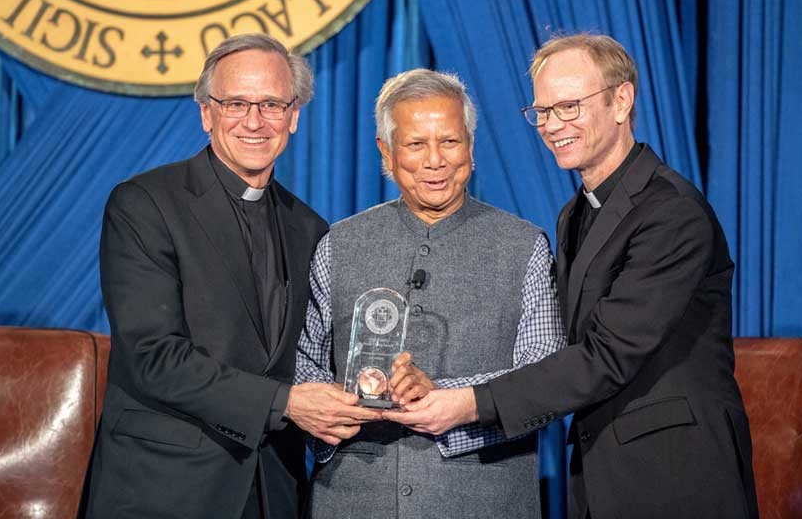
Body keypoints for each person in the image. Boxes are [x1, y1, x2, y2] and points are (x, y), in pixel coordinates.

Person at [384, 35, 759, 519]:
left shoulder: (672, 214)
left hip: (675, 474)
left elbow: (606, 355)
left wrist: (468, 403)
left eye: (569, 107)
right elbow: (559, 346)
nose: (552, 125)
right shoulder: (575, 213)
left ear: (621, 100)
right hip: (602, 474)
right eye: (542, 111)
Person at [80, 33, 380, 519]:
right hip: (164, 488)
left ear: (294, 115)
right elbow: (152, 356)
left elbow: (313, 358)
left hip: (273, 489)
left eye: (271, 104)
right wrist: (285, 402)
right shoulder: (145, 204)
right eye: (236, 103)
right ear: (206, 113)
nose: (254, 121)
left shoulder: (309, 228)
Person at [295, 69, 567, 518]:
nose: (435, 160)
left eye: (450, 141)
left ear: (471, 147)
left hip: (483, 502)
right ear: (387, 151)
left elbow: (546, 377)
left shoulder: (524, 247)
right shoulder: (338, 244)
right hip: (351, 499)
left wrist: (444, 396)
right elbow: (303, 360)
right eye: (416, 144)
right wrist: (338, 406)